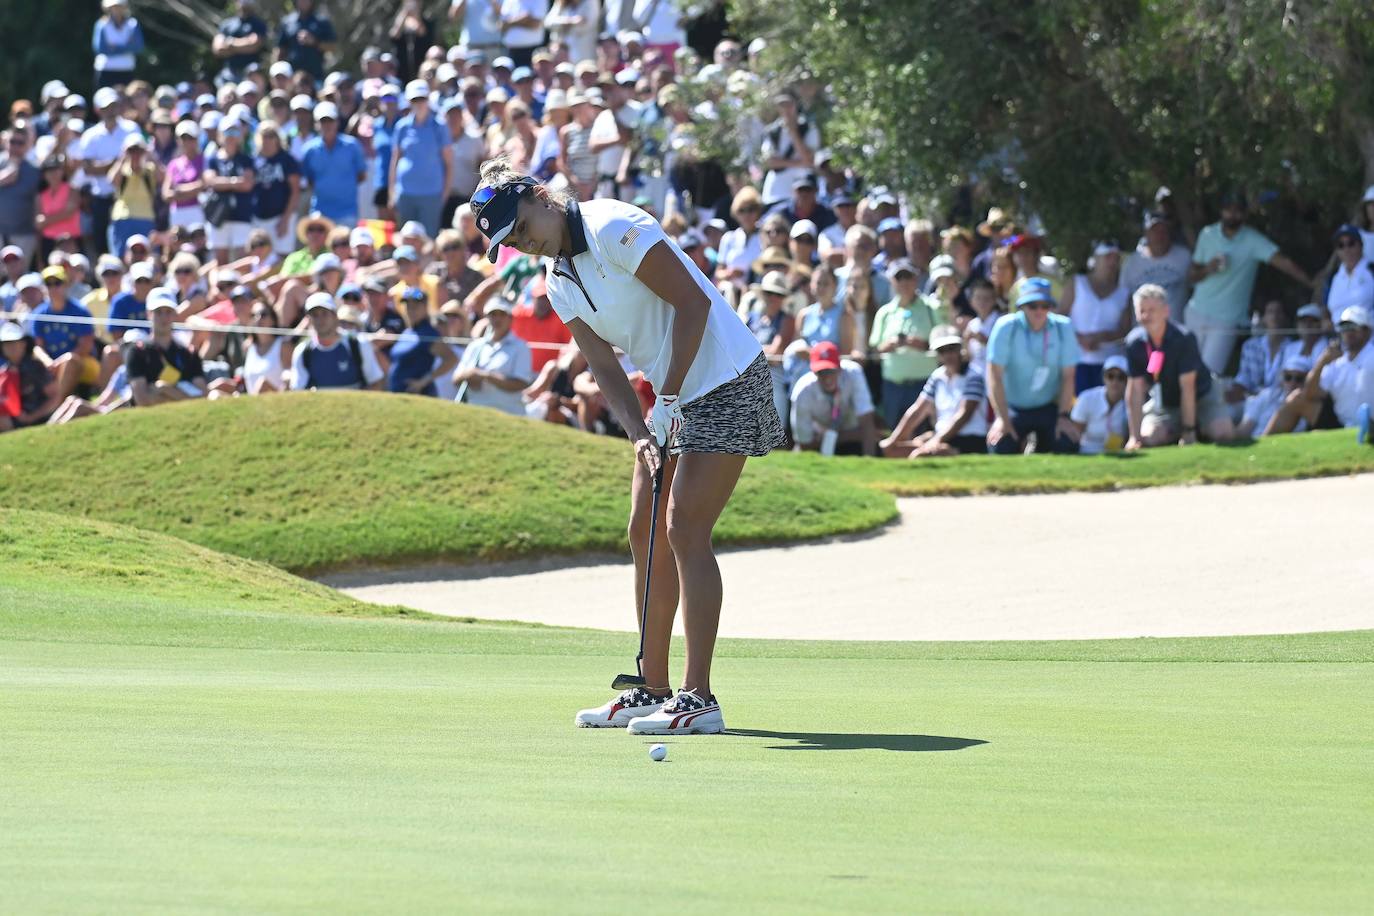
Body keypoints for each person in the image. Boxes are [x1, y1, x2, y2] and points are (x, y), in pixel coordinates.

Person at [472, 156, 783, 735]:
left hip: (726, 376)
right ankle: (652, 687)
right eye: (511, 242)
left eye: (521, 228)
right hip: (671, 398)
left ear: (540, 197)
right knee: (644, 528)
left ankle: (699, 699)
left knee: (684, 528)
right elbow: (601, 366)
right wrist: (641, 432)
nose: (524, 243)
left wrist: (666, 399)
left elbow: (692, 305)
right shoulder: (558, 281)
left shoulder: (614, 225)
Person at [1186, 191, 1312, 375]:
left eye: (1238, 211)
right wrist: (1208, 269)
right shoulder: (1207, 234)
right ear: (1221, 211)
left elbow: (1284, 263)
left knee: (1209, 374)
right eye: (1228, 210)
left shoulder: (1253, 240)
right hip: (1196, 312)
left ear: (1245, 214)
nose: (1233, 215)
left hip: (1226, 320)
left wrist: (1310, 282)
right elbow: (1192, 275)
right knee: (1187, 370)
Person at [1124, 283, 1236, 449]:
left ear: (1166, 311)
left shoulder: (1184, 338)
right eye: (1142, 311)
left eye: (1152, 310)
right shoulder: (1134, 342)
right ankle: (1175, 430)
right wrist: (1134, 437)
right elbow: (1135, 390)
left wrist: (1188, 431)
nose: (1146, 315)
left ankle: (1195, 427)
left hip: (1203, 395)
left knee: (1223, 434)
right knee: (1150, 438)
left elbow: (1188, 387)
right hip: (1167, 401)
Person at [984, 277, 1080, 454]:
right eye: (1033, 305)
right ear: (1022, 307)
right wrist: (1002, 419)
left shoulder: (1063, 327)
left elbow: (1069, 376)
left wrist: (1064, 417)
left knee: (1067, 443)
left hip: (1049, 406)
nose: (1039, 310)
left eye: (1045, 305)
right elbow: (994, 375)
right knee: (1001, 446)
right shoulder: (1006, 327)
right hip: (1013, 408)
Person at [1264, 306, 1374, 436]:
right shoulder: (1336, 363)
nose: (1348, 332)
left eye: (1354, 327)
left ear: (1367, 331)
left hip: (1369, 423)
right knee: (1295, 398)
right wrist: (1322, 361)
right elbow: (1309, 394)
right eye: (1344, 328)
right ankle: (1263, 446)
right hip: (1340, 423)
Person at [879, 327, 988, 458]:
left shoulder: (974, 376)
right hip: (943, 437)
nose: (948, 355)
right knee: (890, 452)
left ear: (960, 349)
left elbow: (964, 414)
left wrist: (936, 440)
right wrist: (893, 441)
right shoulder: (937, 376)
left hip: (969, 440)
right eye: (942, 351)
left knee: (918, 456)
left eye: (952, 348)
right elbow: (917, 410)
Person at [869, 258, 944, 429]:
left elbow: (943, 340)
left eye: (907, 277)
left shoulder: (931, 307)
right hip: (893, 386)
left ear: (916, 280)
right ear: (892, 281)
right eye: (899, 278)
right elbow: (875, 348)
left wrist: (922, 345)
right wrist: (889, 345)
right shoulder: (885, 313)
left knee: (924, 432)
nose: (903, 282)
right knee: (894, 432)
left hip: (924, 385)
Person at [75, 88, 140, 255]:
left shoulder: (131, 129)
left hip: (128, 198)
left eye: (113, 106)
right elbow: (88, 169)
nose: (110, 111)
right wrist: (117, 161)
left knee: (130, 245)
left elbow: (137, 161)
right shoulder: (91, 135)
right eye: (106, 107)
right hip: (101, 199)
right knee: (101, 246)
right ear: (98, 110)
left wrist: (103, 166)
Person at [1061, 240, 1131, 393]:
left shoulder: (1124, 293)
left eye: (1116, 258)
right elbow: (1060, 318)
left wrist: (1102, 337)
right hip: (1076, 361)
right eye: (1107, 257)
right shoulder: (1076, 283)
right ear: (1096, 259)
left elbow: (1125, 330)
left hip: (1110, 366)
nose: (1112, 262)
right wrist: (1080, 339)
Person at [790, 340, 877, 455]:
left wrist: (868, 462)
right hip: (822, 443)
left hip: (852, 440)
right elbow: (804, 443)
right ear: (814, 372)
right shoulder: (802, 391)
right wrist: (850, 435)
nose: (827, 378)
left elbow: (867, 422)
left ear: (839, 367)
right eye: (821, 372)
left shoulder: (854, 374)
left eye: (831, 371)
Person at [24, 266, 98, 401]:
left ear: (66, 285)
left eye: (57, 283)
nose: (53, 288)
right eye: (48, 284)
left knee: (70, 361)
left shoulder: (80, 311)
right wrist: (49, 363)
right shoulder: (39, 314)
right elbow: (38, 347)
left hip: (82, 363)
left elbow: (86, 346)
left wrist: (60, 362)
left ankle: (56, 405)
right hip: (52, 366)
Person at [390, 81, 453, 236]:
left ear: (428, 99)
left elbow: (449, 163)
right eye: (414, 100)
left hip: (431, 193)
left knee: (429, 238)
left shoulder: (440, 126)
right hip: (405, 193)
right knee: (406, 238)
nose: (418, 103)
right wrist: (392, 192)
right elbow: (395, 160)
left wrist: (445, 193)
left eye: (422, 99)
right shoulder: (402, 126)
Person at [452, 295, 533, 415]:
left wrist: (486, 376)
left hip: (509, 413)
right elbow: (456, 378)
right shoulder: (476, 345)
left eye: (502, 314)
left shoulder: (521, 347)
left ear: (510, 318)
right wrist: (471, 375)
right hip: (475, 411)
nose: (497, 319)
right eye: (493, 315)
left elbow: (520, 383)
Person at [291, 292, 385, 390]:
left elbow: (376, 383)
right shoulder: (302, 351)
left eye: (324, 313)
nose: (320, 319)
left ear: (335, 316)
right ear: (309, 320)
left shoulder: (359, 344)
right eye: (315, 315)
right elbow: (298, 391)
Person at [299, 102, 367, 225]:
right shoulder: (309, 150)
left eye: (330, 121)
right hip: (320, 212)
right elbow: (309, 180)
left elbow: (361, 175)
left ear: (337, 122)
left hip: (347, 212)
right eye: (323, 121)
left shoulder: (352, 146)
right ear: (316, 124)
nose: (327, 125)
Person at [388, 287, 460, 396]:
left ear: (425, 307)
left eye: (415, 306)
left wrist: (423, 382)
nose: (411, 310)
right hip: (398, 394)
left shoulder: (428, 333)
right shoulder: (408, 331)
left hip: (418, 395)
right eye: (408, 306)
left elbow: (451, 358)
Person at [1226, 299, 1291, 411]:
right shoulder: (1250, 346)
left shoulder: (1293, 347)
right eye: (1270, 312)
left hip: (1278, 403)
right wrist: (1237, 390)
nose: (1274, 316)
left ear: (1285, 317)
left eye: (1278, 312)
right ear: (1264, 318)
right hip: (1250, 400)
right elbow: (1244, 376)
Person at [1122, 210, 1192, 313]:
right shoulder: (1132, 262)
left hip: (1176, 327)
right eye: (1154, 231)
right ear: (1146, 234)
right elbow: (1124, 300)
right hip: (1142, 327)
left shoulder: (1184, 257)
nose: (1160, 236)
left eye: (1163, 231)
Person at [759, 90, 818, 207]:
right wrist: (799, 163)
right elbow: (769, 162)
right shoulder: (772, 131)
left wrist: (794, 133)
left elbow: (809, 159)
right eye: (782, 105)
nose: (786, 109)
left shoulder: (809, 128)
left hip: (803, 187)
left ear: (796, 104)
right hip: (777, 189)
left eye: (789, 104)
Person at [251, 123, 301, 258]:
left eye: (271, 136)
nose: (267, 140)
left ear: (278, 138)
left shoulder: (287, 160)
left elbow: (295, 191)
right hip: (259, 218)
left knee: (282, 257)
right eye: (264, 136)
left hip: (281, 217)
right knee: (261, 257)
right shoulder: (255, 160)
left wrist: (285, 219)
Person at [106, 134, 160, 258]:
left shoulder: (149, 170)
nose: (135, 154)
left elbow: (163, 177)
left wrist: (151, 156)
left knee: (147, 255)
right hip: (122, 218)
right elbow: (112, 181)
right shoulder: (122, 171)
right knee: (121, 255)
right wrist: (122, 158)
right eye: (131, 150)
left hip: (146, 218)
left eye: (139, 151)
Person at [0, 322, 60, 431]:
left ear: (24, 344)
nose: (10, 347)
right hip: (13, 421)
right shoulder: (4, 372)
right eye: (6, 343)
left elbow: (55, 398)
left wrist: (32, 417)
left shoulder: (36, 368)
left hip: (40, 420)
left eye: (14, 342)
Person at [509, 272, 571, 375]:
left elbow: (567, 348)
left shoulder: (561, 320)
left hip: (547, 376)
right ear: (533, 299)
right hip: (516, 372)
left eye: (547, 299)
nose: (544, 303)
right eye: (540, 299)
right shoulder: (518, 315)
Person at [1237, 355, 1311, 439]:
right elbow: (1244, 429)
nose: (1292, 383)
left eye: (1299, 379)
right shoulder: (1266, 395)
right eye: (1288, 377)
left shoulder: (1308, 408)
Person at [1070, 354, 1129, 454]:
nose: (1115, 381)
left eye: (1121, 377)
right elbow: (1075, 434)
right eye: (1110, 376)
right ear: (1104, 377)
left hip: (1119, 453)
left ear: (1127, 380)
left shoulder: (1131, 403)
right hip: (1086, 451)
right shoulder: (1086, 398)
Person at [0, 131, 40, 266]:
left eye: (20, 143)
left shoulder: (34, 170)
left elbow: (38, 203)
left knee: (20, 276)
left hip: (24, 234)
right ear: (6, 142)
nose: (15, 146)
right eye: (12, 142)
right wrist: (4, 178)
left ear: (27, 145)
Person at [1322, 224, 1374, 325]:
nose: (1346, 249)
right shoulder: (1332, 277)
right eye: (1341, 245)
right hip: (1338, 337)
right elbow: (1326, 308)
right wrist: (1326, 321)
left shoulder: (1372, 271)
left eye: (1351, 243)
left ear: (1361, 245)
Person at [275, 0, 337, 82]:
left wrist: (314, 42)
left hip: (316, 77)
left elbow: (332, 47)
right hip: (292, 78)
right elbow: (280, 48)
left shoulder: (322, 22)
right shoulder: (287, 22)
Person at [213, 0, 269, 84]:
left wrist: (230, 43)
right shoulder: (226, 24)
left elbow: (253, 45)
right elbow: (218, 49)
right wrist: (244, 43)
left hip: (250, 72)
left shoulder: (258, 24)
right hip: (229, 72)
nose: (244, 4)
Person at [92, 0, 144, 89]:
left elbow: (138, 47)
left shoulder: (132, 24)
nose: (116, 9)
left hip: (127, 70)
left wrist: (113, 47)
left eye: (119, 6)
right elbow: (100, 49)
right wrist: (127, 47)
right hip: (106, 71)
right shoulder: (102, 24)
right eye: (113, 7)